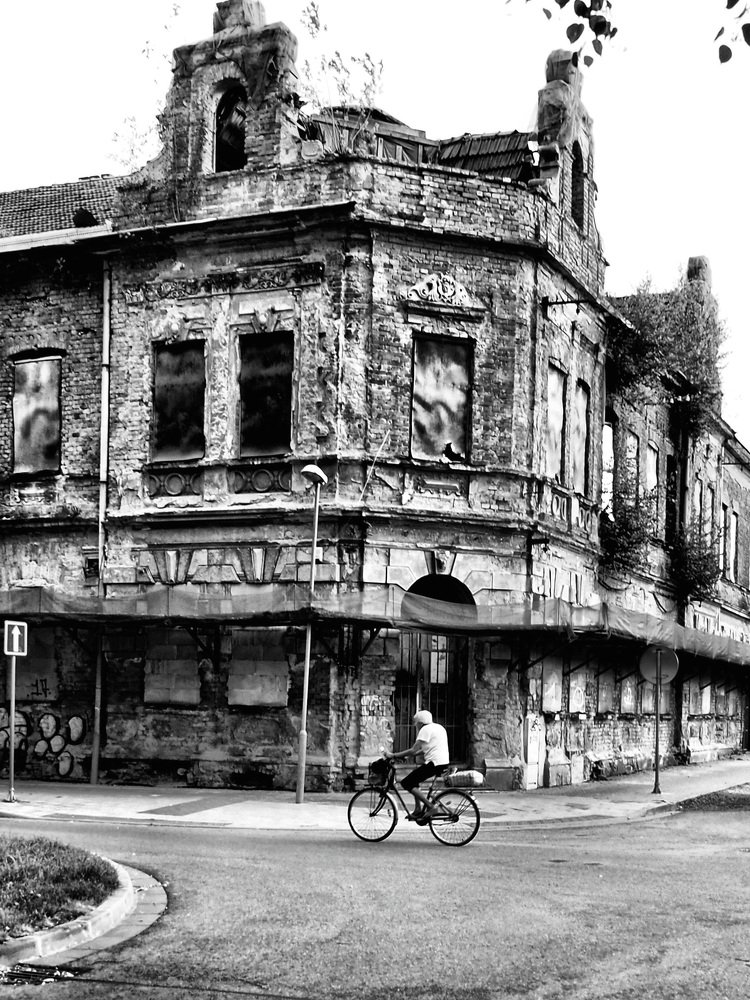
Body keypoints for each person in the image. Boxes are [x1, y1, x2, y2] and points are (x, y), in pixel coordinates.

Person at [385, 710, 449, 822]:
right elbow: (428, 748)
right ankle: (418, 809)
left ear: (420, 723)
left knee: (406, 782)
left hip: (434, 763)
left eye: (416, 723)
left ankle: (431, 807)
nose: (416, 726)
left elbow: (414, 749)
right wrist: (409, 755)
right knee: (414, 780)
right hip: (442, 762)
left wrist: (393, 755)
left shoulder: (425, 729)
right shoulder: (438, 727)